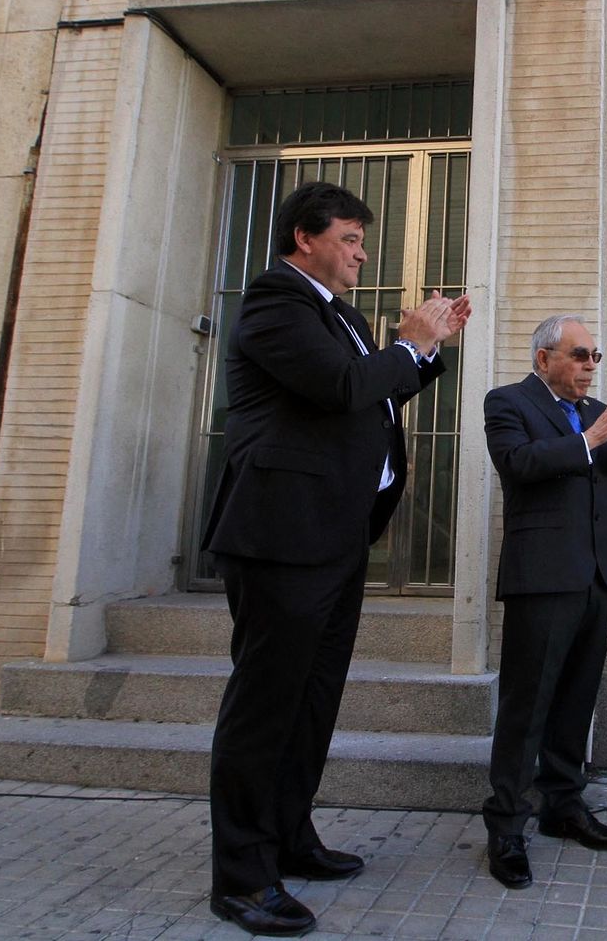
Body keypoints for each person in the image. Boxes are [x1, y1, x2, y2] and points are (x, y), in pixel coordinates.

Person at [201, 181, 470, 936]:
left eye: (360, 239)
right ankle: (242, 878)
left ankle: (289, 836)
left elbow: (371, 399)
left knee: (312, 701)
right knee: (266, 706)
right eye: (349, 238)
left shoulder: (340, 315)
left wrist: (429, 347)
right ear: (303, 237)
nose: (361, 252)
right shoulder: (273, 303)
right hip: (281, 537)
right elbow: (345, 384)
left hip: (337, 535)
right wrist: (407, 343)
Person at [480, 315, 607, 889]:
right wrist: (594, 437)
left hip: (598, 575)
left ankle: (562, 804)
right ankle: (506, 825)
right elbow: (520, 466)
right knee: (527, 705)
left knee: (577, 699)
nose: (589, 366)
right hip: (543, 577)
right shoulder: (507, 402)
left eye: (595, 356)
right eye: (579, 355)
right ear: (544, 358)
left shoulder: (597, 413)